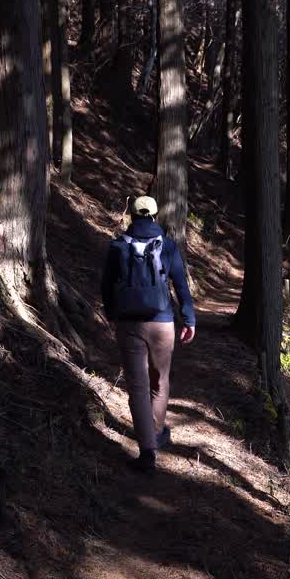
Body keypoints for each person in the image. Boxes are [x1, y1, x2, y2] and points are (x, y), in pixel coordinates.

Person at [100, 195, 196, 472]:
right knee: (160, 381)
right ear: (155, 216)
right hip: (163, 322)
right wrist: (188, 318)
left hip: (129, 324)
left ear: (131, 215)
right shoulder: (167, 245)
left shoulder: (119, 245)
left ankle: (147, 452)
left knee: (138, 388)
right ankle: (155, 433)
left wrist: (111, 314)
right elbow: (181, 285)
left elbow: (106, 285)